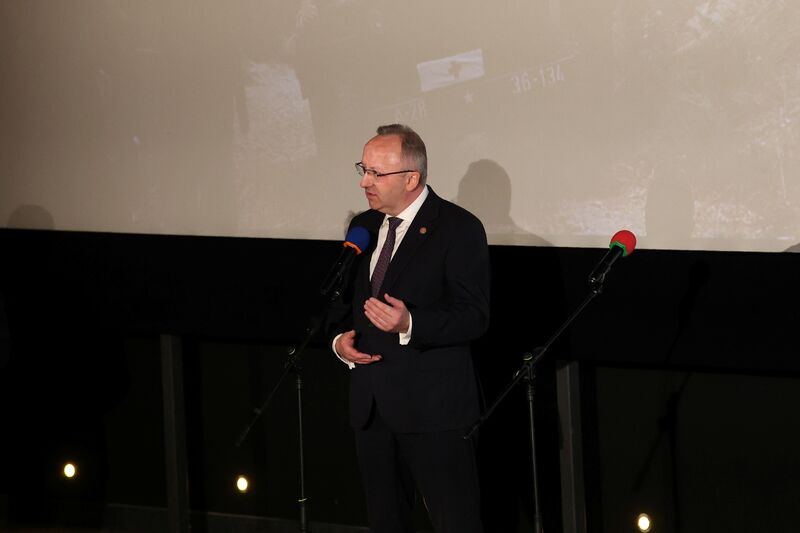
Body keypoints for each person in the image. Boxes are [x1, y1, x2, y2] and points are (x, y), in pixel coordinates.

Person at [329, 124, 490, 532]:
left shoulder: (458, 228)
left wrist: (411, 322)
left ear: (411, 178)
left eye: (375, 173)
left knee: (455, 522)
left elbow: (474, 315)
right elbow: (344, 304)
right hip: (371, 407)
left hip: (434, 410)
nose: (365, 181)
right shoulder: (364, 225)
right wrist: (338, 343)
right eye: (362, 170)